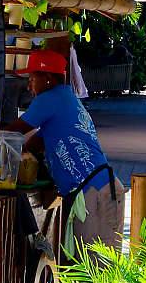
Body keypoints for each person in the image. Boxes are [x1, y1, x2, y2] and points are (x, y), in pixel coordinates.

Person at [7, 50, 121, 256]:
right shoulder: (65, 97)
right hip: (100, 188)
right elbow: (37, 141)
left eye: (32, 79)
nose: (29, 85)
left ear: (48, 79)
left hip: (93, 192)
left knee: (93, 268)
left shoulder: (49, 98)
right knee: (92, 266)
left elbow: (13, 131)